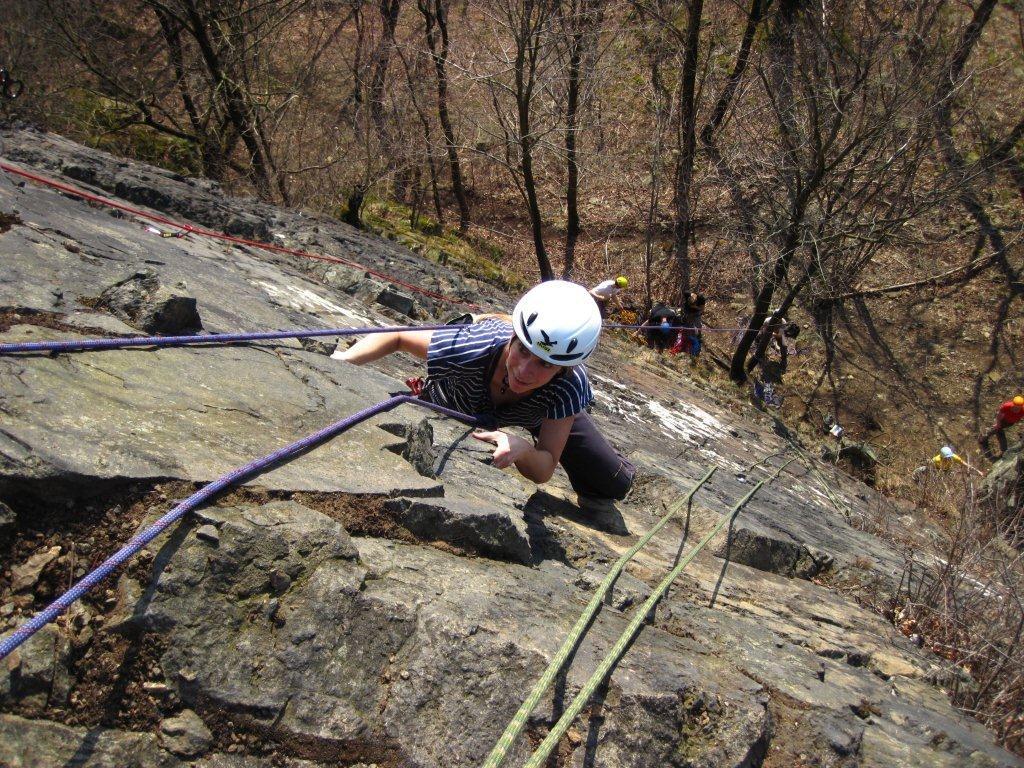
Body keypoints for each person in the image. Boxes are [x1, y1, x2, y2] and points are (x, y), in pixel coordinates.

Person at [332, 280, 636, 511]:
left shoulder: (568, 385)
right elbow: (396, 337)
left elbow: (544, 468)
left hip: (539, 411)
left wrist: (524, 449)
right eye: (523, 351)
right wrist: (344, 364)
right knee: (429, 400)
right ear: (513, 338)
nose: (526, 371)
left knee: (614, 483)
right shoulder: (473, 345)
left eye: (545, 364)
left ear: (562, 370)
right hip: (465, 391)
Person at [979, 395, 1024, 460]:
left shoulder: (1022, 410)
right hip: (1002, 420)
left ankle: (984, 439)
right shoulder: (1006, 406)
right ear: (1013, 404)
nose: (1016, 409)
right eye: (1015, 407)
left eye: (1018, 408)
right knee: (996, 430)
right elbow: (999, 415)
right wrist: (998, 424)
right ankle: (983, 439)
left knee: (997, 431)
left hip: (1010, 423)